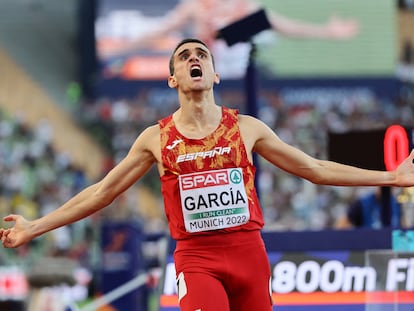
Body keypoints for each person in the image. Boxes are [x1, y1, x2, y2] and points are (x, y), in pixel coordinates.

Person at [2, 38, 414, 311]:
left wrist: (391, 177)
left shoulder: (247, 128)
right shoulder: (155, 139)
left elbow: (314, 169)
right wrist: (36, 226)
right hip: (197, 259)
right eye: (184, 57)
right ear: (173, 78)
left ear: (215, 74)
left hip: (249, 254)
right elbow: (102, 192)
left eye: (201, 54)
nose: (193, 58)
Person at [98, 0, 359, 78]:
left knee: (255, 26)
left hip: (238, 74)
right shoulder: (197, 7)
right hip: (209, 76)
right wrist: (117, 50)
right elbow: (161, 31)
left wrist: (327, 32)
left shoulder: (246, 7)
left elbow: (284, 26)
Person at [335, 187, 403, 229]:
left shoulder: (397, 204)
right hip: (366, 245)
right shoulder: (362, 203)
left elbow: (402, 225)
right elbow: (342, 223)